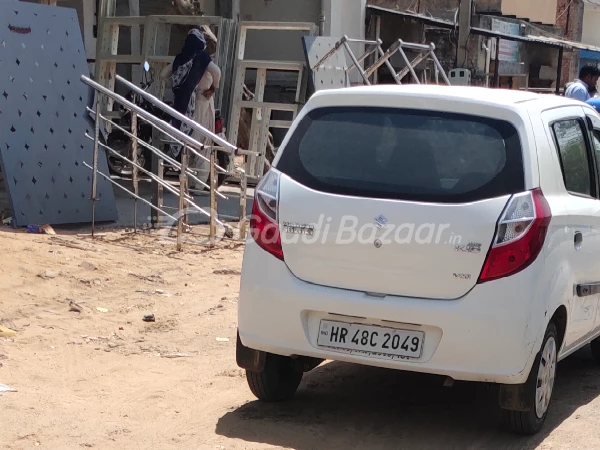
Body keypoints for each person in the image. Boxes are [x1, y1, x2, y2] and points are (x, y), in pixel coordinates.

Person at [160, 27, 221, 190]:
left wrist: (174, 84)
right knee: (202, 142)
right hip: (202, 102)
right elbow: (218, 72)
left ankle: (185, 178)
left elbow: (162, 74)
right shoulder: (203, 58)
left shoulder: (180, 59)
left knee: (186, 141)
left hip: (182, 105)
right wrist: (214, 88)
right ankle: (198, 184)